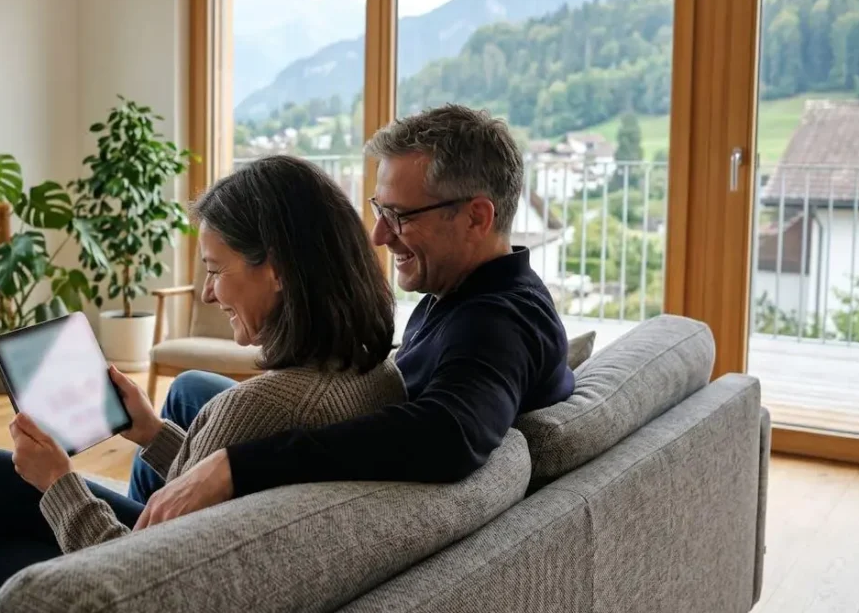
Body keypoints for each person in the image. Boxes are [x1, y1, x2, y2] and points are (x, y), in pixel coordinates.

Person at [0, 155, 405, 613]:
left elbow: (139, 574)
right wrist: (151, 433)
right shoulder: (375, 374)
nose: (207, 293)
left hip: (176, 583)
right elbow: (212, 505)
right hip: (241, 572)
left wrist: (57, 480)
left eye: (215, 269)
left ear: (277, 270)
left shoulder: (261, 405)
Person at [128, 103, 575, 529]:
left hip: (332, 468)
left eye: (398, 215)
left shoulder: (498, 324)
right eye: (380, 210)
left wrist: (237, 465)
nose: (379, 235)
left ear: (476, 218)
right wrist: (154, 434)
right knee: (188, 390)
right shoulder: (465, 294)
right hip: (342, 427)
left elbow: (449, 434)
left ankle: (127, 547)